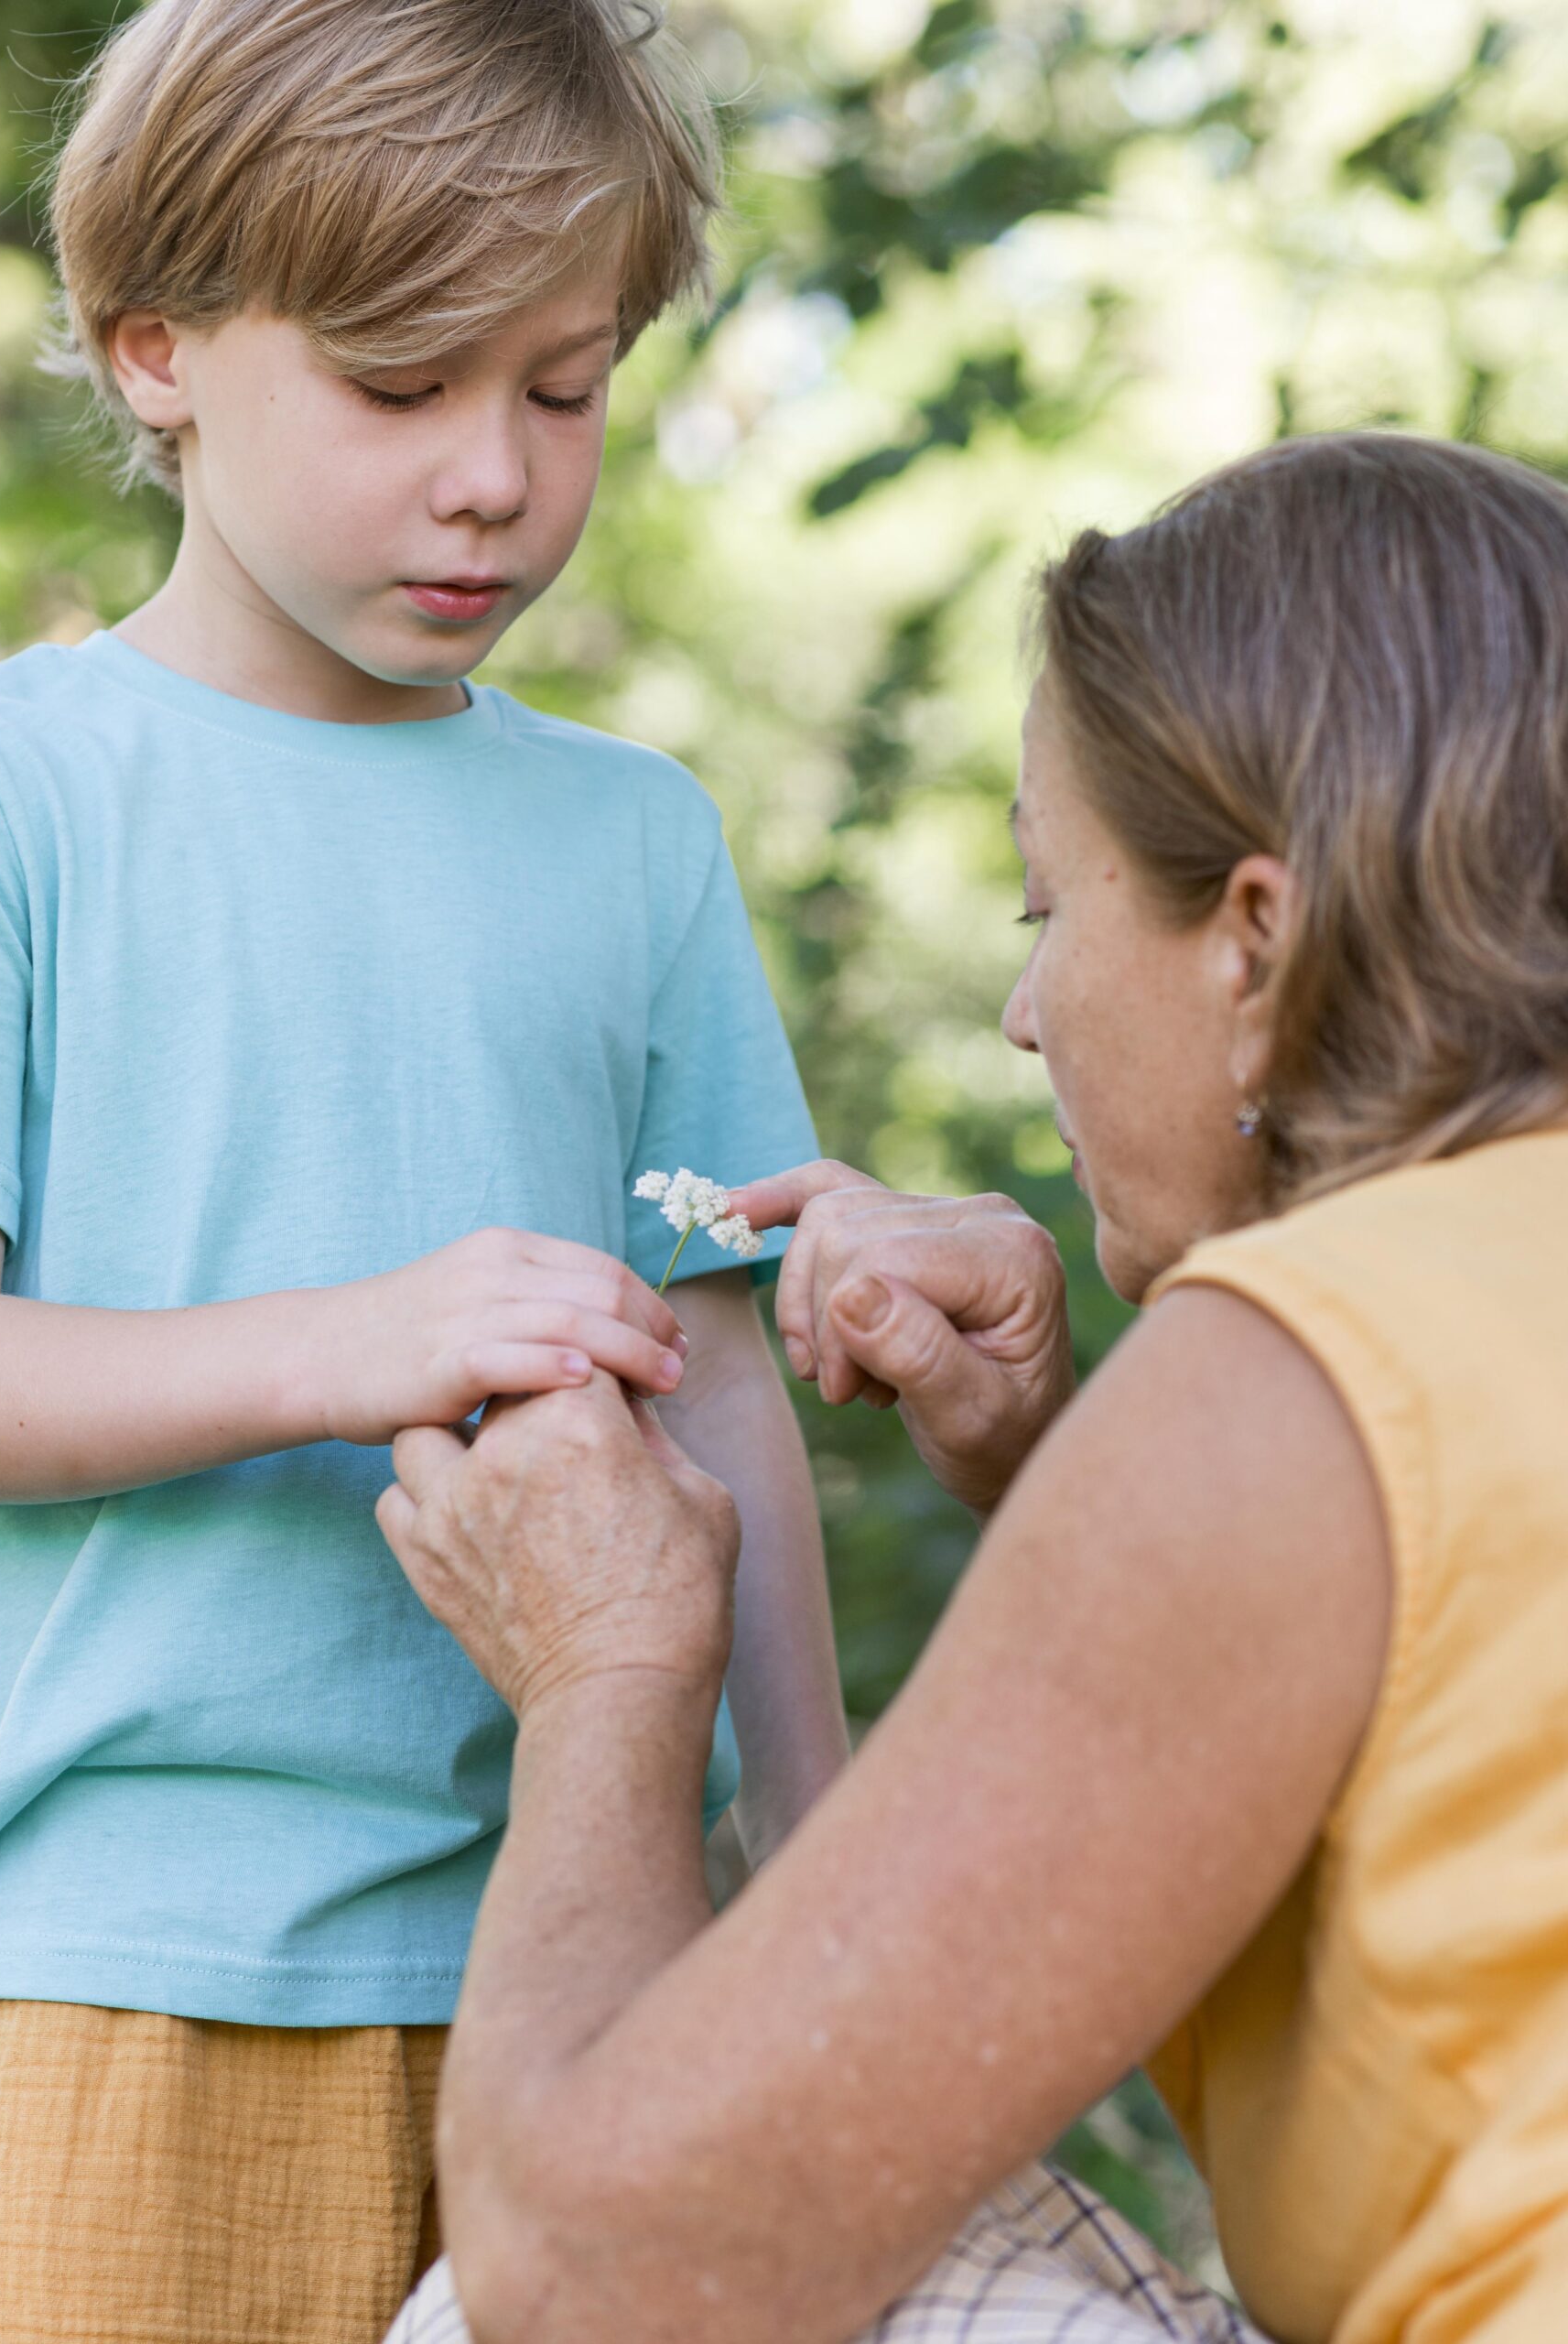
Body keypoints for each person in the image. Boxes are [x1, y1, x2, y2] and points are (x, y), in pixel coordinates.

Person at [0, 3, 849, 2336]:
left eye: (563, 383)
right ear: (157, 354)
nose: (496, 479)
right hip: (116, 1967)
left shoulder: (635, 839)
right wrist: (357, 1338)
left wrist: (817, 1883)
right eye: (400, 385)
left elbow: (720, 1389)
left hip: (585, 1954)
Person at [373, 431, 1568, 2344]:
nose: (1026, 1010)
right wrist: (1056, 1465)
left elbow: (589, 2268)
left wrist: (607, 1671)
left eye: (1047, 909)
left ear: (1254, 943)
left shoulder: (1299, 1360)